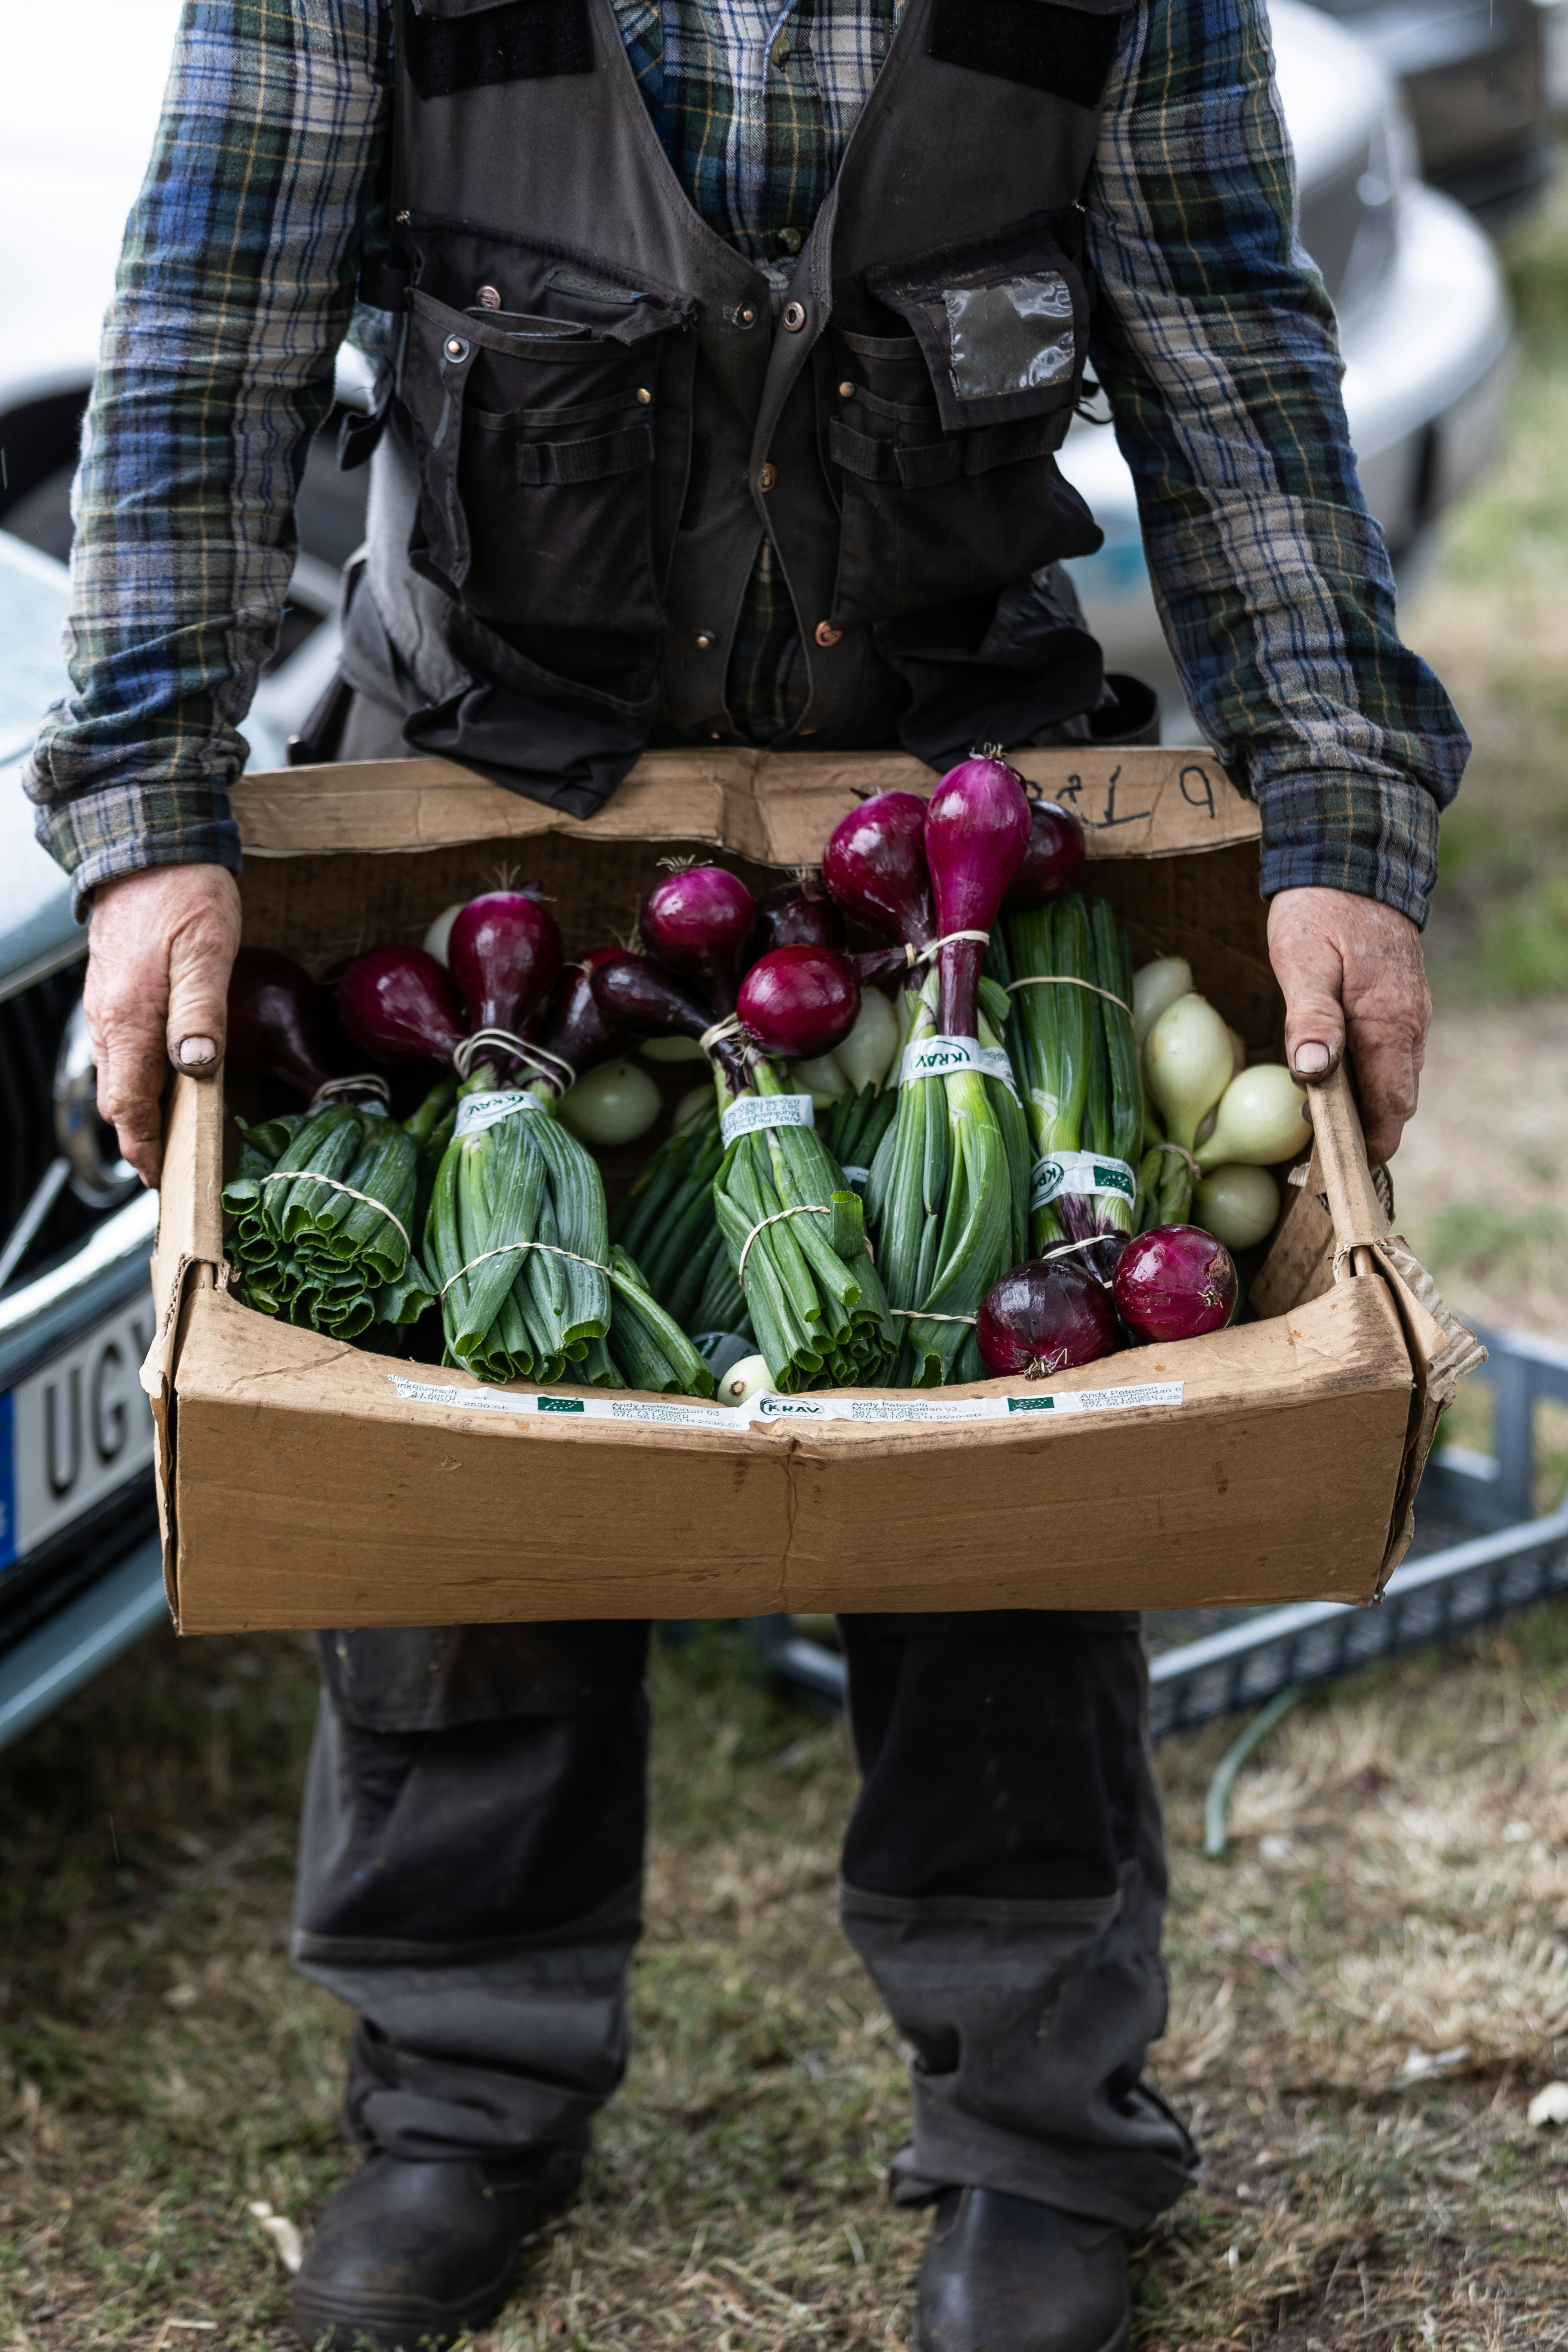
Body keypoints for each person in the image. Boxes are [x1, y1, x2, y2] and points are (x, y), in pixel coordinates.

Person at [26, 1, 1464, 2346]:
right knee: (466, 1472)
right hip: (489, 791)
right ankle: (460, 2109)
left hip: (952, 840)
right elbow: (209, 336)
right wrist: (145, 837)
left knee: (1015, 1456)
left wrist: (1337, 816)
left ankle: (1032, 2137)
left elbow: (1231, 357)